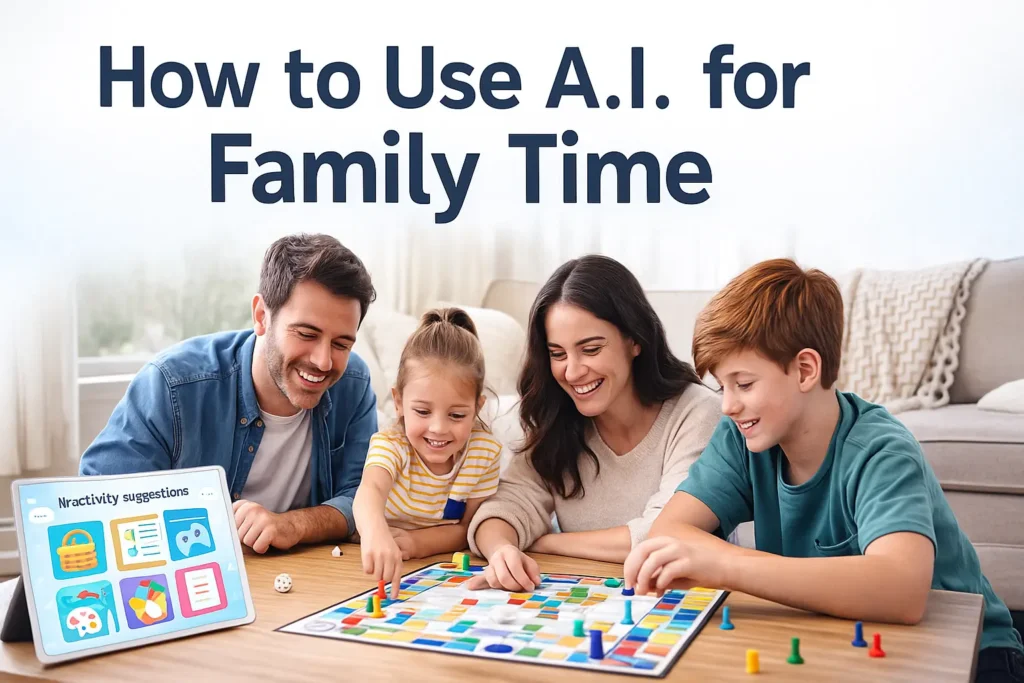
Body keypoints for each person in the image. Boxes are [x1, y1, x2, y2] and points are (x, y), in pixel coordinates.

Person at [623, 258, 1024, 683]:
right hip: (850, 639)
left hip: (974, 655)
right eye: (722, 388)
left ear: (806, 370)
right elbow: (669, 532)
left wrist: (725, 564)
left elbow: (901, 590)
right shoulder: (741, 436)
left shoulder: (881, 449)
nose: (728, 405)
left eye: (744, 384)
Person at [80, 233, 379, 554]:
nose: (324, 361)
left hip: (299, 581)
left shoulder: (354, 382)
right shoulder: (172, 385)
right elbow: (100, 500)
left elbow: (360, 497)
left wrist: (291, 524)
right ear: (261, 316)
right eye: (307, 334)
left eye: (341, 344)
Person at [465, 255, 721, 592]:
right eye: (558, 354)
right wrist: (503, 550)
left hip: (678, 604)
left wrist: (548, 542)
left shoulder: (698, 412)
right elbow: (504, 506)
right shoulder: (558, 417)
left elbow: (665, 533)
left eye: (591, 349)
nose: (572, 372)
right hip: (580, 604)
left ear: (635, 340)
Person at [353, 308, 502, 596]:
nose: (438, 428)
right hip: (376, 562)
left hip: (435, 565)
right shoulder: (391, 445)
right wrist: (375, 532)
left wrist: (416, 543)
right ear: (398, 402)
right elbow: (368, 493)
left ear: (477, 409)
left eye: (457, 415)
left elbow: (468, 530)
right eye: (422, 411)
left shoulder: (484, 453)